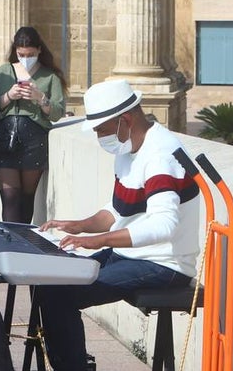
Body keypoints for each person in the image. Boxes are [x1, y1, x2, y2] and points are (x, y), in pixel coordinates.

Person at [34, 79, 201, 371]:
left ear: (125, 120)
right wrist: (80, 225)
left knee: (61, 295)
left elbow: (164, 226)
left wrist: (99, 241)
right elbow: (118, 210)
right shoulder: (127, 150)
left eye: (101, 130)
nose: (99, 137)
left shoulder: (160, 155)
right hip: (132, 255)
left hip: (164, 264)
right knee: (50, 283)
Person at [0, 26, 68, 224]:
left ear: (39, 50)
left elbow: (57, 112)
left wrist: (41, 98)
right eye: (21, 54)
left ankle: (21, 246)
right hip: (4, 139)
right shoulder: (3, 72)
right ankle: (9, 247)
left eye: (30, 54)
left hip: (34, 140)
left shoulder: (50, 76)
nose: (25, 58)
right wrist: (7, 96)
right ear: (15, 51)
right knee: (10, 198)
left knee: (27, 200)